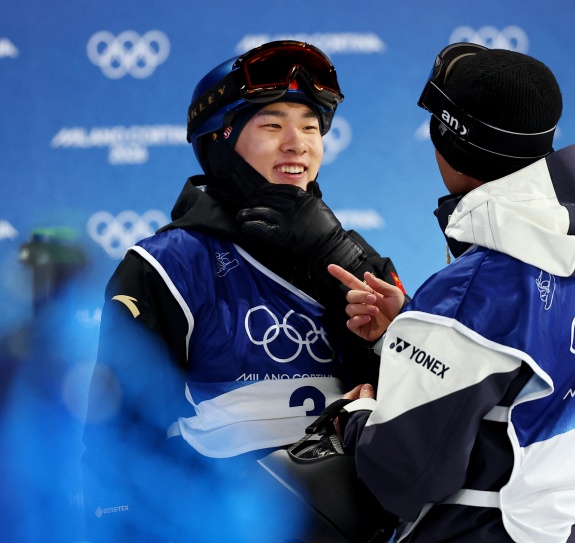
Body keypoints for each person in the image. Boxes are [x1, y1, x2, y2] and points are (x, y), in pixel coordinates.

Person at [81, 40, 404, 543]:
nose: (298, 144)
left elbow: (430, 410)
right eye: (272, 126)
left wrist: (388, 338)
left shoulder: (356, 260)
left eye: (311, 127)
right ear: (220, 141)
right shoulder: (166, 265)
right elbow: (118, 436)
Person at [327, 44, 575, 542]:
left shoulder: (472, 292)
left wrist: (355, 418)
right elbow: (523, 382)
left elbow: (401, 475)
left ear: (448, 143)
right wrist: (414, 330)